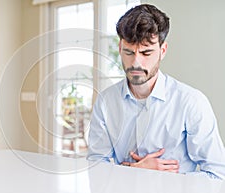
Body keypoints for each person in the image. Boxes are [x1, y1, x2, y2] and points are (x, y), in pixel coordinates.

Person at [87, 4, 225, 179]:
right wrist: (136, 172)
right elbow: (96, 171)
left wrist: (162, 179)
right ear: (120, 48)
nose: (136, 63)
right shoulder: (105, 102)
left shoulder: (191, 102)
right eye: (129, 52)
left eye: (146, 53)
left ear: (162, 51)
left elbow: (218, 175)